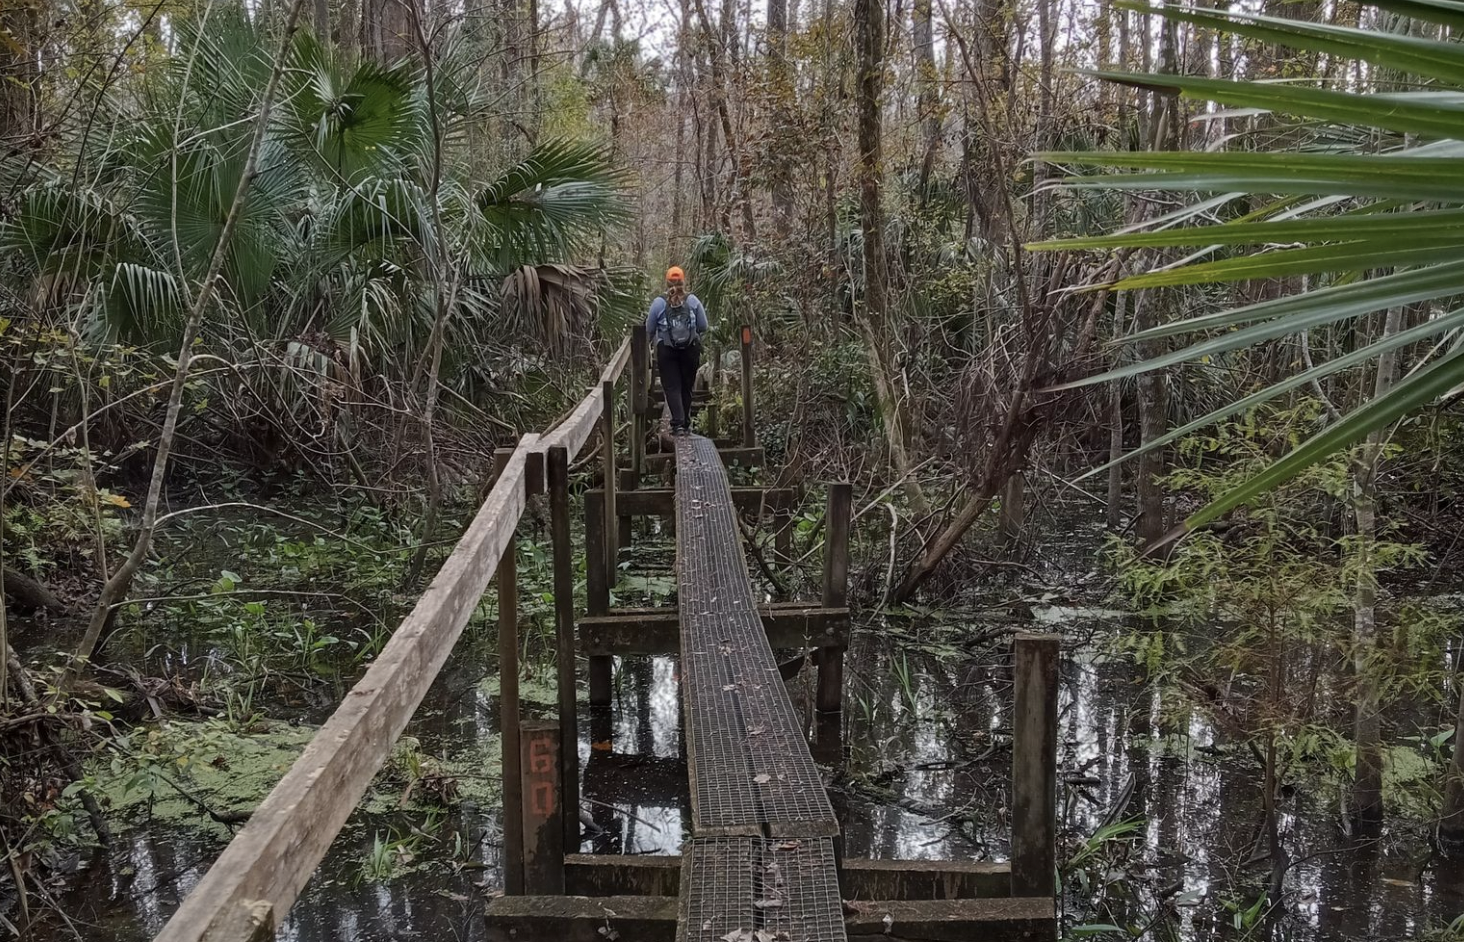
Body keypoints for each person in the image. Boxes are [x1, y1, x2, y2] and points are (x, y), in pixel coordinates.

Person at [645, 266, 708, 436]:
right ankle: (686, 423)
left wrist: (647, 346)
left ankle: (678, 424)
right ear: (683, 282)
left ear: (666, 283)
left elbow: (649, 329)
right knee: (686, 386)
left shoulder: (659, 303)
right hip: (690, 350)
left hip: (667, 350)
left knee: (672, 387)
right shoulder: (693, 300)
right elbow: (703, 326)